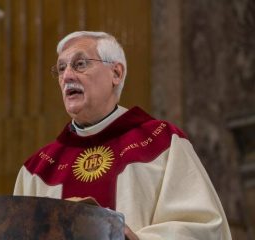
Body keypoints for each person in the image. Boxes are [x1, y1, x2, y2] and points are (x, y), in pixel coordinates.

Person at [14, 31, 232, 239]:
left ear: (116, 73)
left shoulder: (161, 142)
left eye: (80, 64)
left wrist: (131, 238)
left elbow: (203, 227)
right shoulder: (38, 168)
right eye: (61, 69)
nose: (67, 76)